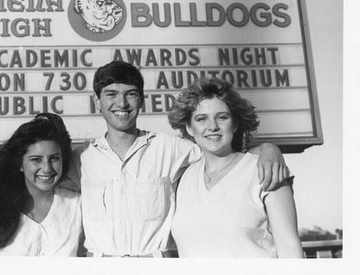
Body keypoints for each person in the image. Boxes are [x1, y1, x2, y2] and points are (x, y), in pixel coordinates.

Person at [66, 61, 289, 257]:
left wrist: (268, 148)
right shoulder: (82, 158)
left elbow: (220, 149)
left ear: (142, 100)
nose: (122, 103)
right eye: (111, 94)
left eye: (131, 94)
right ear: (97, 101)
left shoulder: (170, 147)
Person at [168, 77, 303, 258]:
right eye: (201, 119)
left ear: (235, 124)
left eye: (222, 117)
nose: (213, 126)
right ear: (189, 128)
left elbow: (290, 250)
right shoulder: (184, 178)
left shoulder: (264, 169)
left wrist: (270, 148)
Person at [0, 113, 83, 256]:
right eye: (36, 159)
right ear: (20, 163)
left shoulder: (77, 205)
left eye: (54, 158)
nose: (47, 168)